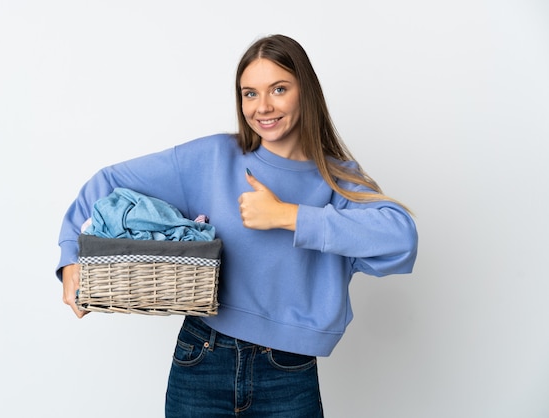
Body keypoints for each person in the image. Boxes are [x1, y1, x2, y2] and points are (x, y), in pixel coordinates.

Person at [57, 34, 418, 417]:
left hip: (289, 372)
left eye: (279, 89)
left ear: (305, 92)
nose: (263, 106)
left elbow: (401, 239)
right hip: (202, 357)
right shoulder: (212, 158)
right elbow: (108, 183)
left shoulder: (336, 179)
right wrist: (71, 259)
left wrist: (287, 215)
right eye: (250, 93)